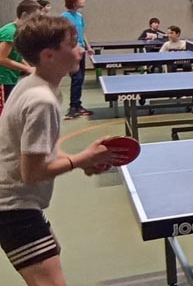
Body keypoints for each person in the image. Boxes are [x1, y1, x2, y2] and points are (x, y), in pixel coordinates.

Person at [0, 15, 124, 285]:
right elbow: (32, 172)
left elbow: (42, 152)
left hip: (18, 202)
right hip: (12, 207)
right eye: (73, 44)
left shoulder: (34, 84)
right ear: (49, 55)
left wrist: (81, 161)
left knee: (53, 250)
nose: (80, 50)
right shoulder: (41, 100)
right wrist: (82, 158)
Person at [60, 0, 94, 120]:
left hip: (81, 50)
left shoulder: (79, 16)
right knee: (76, 78)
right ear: (73, 2)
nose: (83, 1)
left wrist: (88, 47)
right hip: (72, 51)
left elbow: (82, 33)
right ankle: (73, 108)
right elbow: (63, 36)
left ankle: (78, 105)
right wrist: (72, 48)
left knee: (80, 78)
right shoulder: (64, 17)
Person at [1, 0, 42, 106]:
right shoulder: (10, 32)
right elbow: (1, 58)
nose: (36, 22)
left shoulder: (18, 31)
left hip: (10, 77)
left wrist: (29, 67)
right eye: (34, 18)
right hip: (3, 79)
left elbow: (15, 55)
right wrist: (27, 69)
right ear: (24, 15)